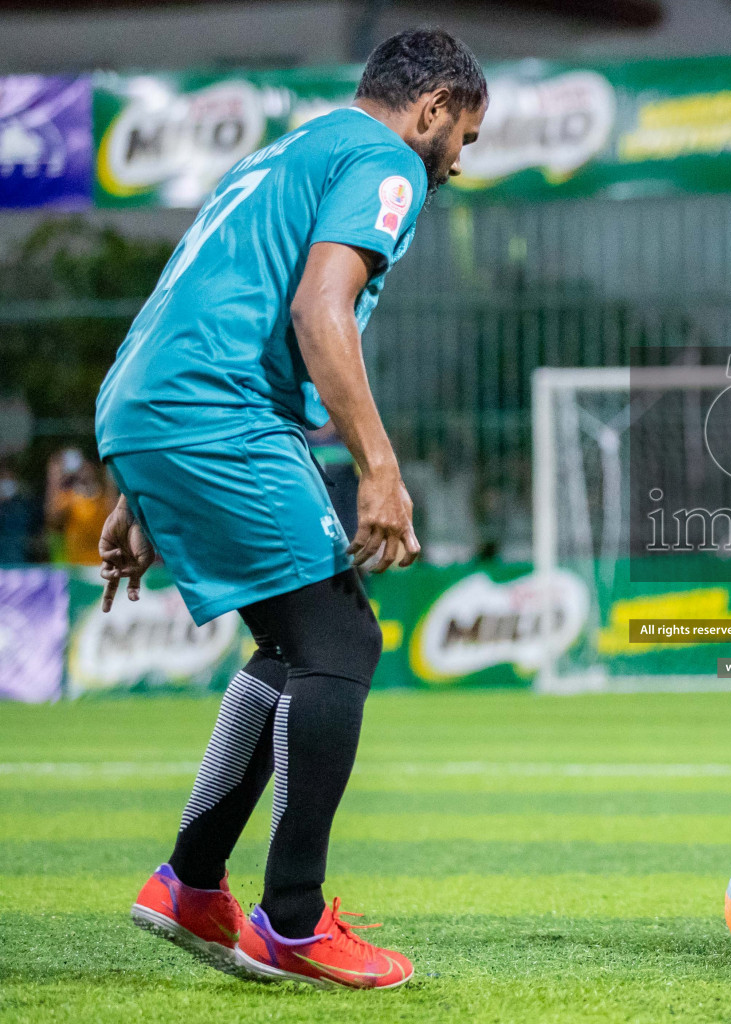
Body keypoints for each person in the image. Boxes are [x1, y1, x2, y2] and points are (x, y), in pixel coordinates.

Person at [97, 29, 485, 989]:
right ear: (432, 106)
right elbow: (319, 310)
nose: (459, 160)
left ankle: (190, 884)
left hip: (160, 402)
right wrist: (380, 470)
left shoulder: (289, 148)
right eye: (465, 135)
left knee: (293, 642)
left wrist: (136, 479)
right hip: (221, 413)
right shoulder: (385, 158)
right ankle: (294, 922)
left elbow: (200, 290)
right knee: (340, 642)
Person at [45, 448, 114, 566]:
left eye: (87, 466)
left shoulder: (104, 499)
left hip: (102, 566)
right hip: (77, 568)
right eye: (82, 467)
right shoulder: (69, 498)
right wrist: (54, 477)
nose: (84, 471)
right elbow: (53, 518)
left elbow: (113, 515)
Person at [0, 461, 41, 564]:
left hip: (22, 564)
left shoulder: (24, 505)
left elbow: (36, 531)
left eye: (10, 478)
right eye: (3, 478)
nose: (7, 482)